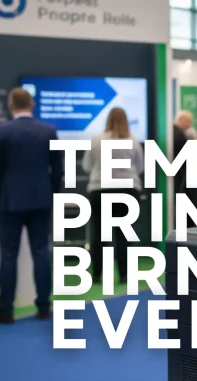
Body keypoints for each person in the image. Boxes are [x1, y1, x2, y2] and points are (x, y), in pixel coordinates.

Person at [0, 88, 63, 323]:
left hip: (9, 201)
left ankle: (6, 310)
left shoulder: (1, 132)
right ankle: (44, 306)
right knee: (42, 253)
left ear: (11, 106)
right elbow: (58, 170)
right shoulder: (48, 131)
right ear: (31, 104)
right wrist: (54, 195)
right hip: (41, 200)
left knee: (8, 256)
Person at [82, 108, 145, 284]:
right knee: (124, 235)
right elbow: (140, 168)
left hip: (100, 190)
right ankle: (125, 275)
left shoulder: (97, 141)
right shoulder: (133, 142)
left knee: (100, 234)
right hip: (127, 190)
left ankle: (96, 274)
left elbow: (87, 165)